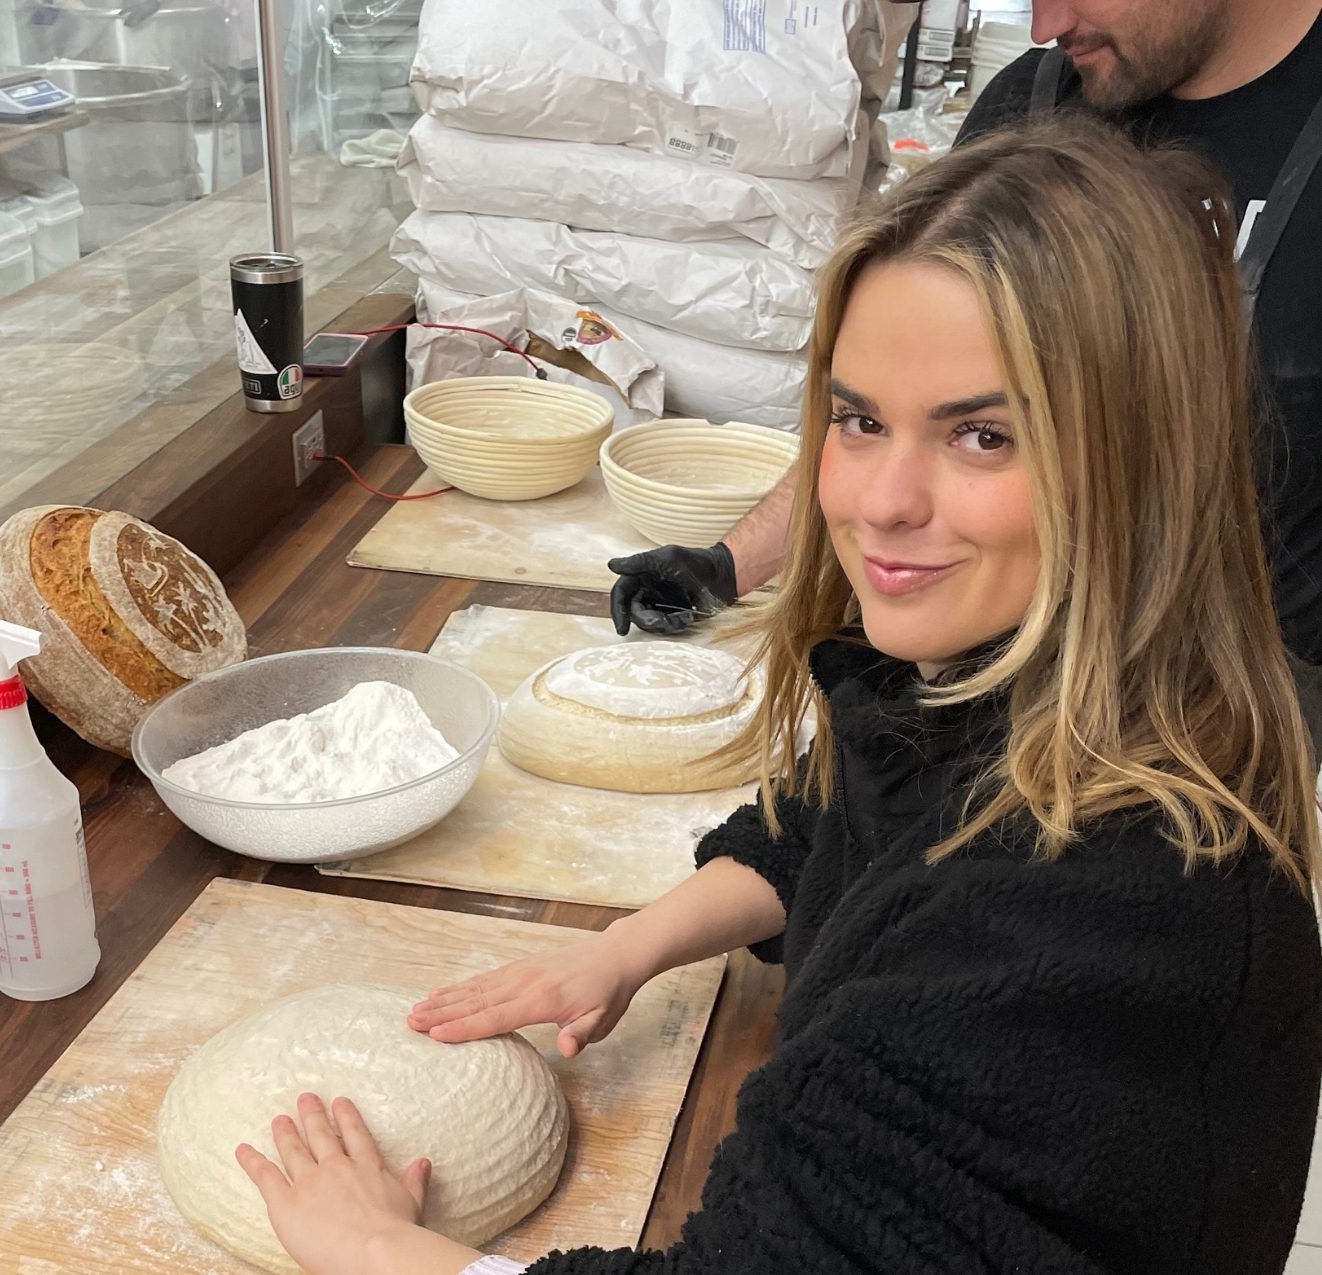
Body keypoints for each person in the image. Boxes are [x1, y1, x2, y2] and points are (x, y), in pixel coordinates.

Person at [234, 122, 1322, 1275]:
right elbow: (837, 826)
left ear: (1145, 462)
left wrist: (366, 1247)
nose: (881, 502)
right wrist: (623, 952)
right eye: (860, 421)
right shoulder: (1015, 690)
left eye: (982, 436)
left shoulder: (1099, 911)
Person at [610, 0, 1322, 749]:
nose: (1045, 25)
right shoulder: (1036, 98)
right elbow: (910, 406)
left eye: (987, 435)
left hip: (1232, 716)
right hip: (982, 700)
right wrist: (730, 565)